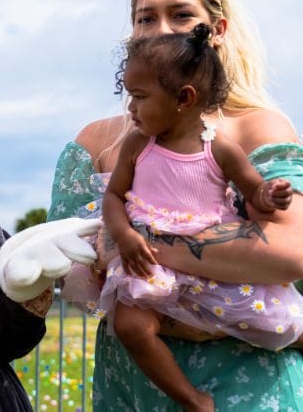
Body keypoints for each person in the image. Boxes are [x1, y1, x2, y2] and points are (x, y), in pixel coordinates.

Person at [49, 0, 303, 409]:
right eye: (146, 18)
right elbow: (66, 270)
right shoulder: (96, 143)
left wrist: (129, 241)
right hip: (131, 387)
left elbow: (289, 253)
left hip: (247, 388)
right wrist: (218, 298)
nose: (161, 29)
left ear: (217, 32)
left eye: (181, 14)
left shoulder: (257, 128)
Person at [98, 24, 297, 411]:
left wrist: (270, 194)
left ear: (183, 99)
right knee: (131, 326)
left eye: (139, 97)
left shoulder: (219, 148)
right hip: (152, 261)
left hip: (208, 260)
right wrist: (123, 235)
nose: (130, 108)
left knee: (276, 318)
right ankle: (191, 399)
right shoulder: (138, 146)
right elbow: (113, 197)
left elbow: (253, 190)